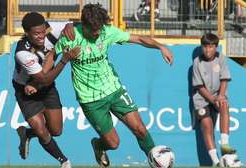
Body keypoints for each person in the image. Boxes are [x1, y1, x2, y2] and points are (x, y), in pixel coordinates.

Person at [51, 3, 173, 167]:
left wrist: (160, 46)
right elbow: (52, 53)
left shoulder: (107, 32)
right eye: (93, 30)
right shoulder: (71, 36)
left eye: (99, 29)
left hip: (114, 90)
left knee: (140, 130)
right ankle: (99, 145)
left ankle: (157, 163)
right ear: (84, 26)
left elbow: (138, 38)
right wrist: (40, 77)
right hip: (90, 100)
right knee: (113, 143)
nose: (97, 33)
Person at [12, 12, 79, 168]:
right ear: (26, 33)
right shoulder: (22, 53)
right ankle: (64, 161)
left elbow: (77, 25)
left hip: (46, 89)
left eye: (43, 31)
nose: (41, 36)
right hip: (25, 90)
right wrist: (64, 60)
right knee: (41, 130)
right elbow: (45, 78)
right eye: (36, 33)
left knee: (56, 131)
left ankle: (27, 133)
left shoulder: (50, 29)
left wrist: (70, 24)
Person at [192, 33, 236, 166]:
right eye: (205, 46)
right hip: (202, 99)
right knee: (206, 124)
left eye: (211, 47)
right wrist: (212, 99)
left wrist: (221, 96)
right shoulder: (197, 62)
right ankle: (216, 161)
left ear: (216, 47)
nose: (207, 50)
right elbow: (199, 87)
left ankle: (224, 144)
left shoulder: (221, 58)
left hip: (218, 95)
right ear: (202, 47)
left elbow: (224, 80)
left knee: (224, 104)